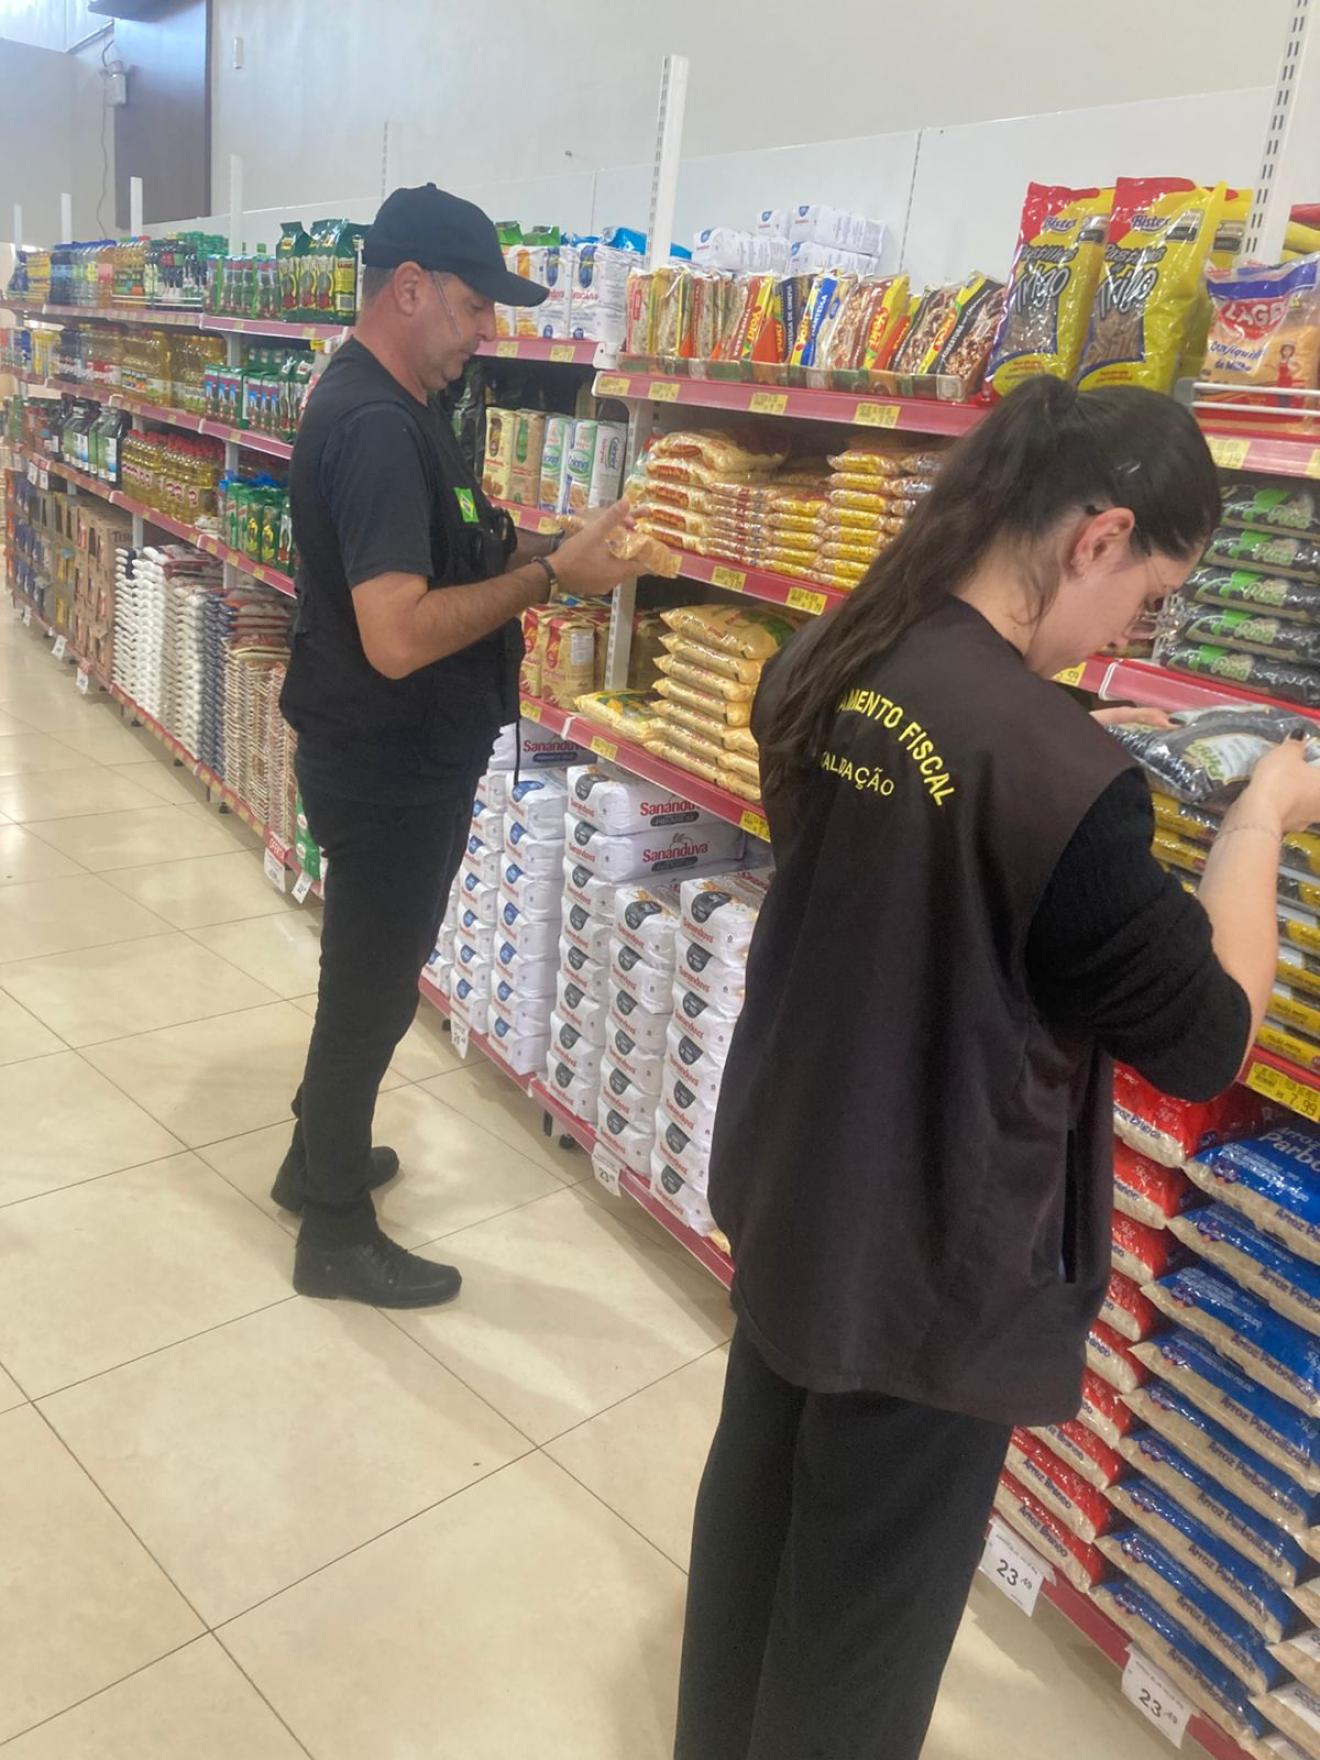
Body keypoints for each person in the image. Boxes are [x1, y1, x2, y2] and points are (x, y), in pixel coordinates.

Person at [673, 375, 1320, 1760]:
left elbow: (908, 865)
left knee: (757, 1531)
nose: (1128, 633)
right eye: (1147, 599)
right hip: (930, 1263)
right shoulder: (1064, 779)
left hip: (797, 1187)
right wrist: (1261, 817)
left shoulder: (840, 652)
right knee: (860, 1638)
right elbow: (1207, 1032)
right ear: (1101, 539)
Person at [275, 184, 637, 1308]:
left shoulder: (397, 403)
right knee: (370, 990)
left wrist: (551, 544)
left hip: (390, 752)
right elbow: (396, 635)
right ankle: (334, 1231)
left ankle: (312, 1159)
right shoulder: (378, 427)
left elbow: (453, 547)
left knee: (372, 980)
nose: (487, 330)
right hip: (384, 760)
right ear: (410, 288)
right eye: (475, 306)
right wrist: (551, 578)